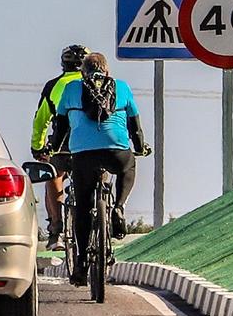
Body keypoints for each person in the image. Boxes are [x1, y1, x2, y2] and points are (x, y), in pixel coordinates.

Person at [50, 51, 150, 284]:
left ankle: (82, 263)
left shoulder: (72, 89)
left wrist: (54, 148)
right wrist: (140, 146)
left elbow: (60, 126)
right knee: (128, 166)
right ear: (107, 71)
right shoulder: (122, 87)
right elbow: (135, 125)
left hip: (83, 154)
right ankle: (118, 206)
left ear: (82, 71)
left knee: (83, 206)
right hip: (116, 150)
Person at [31, 44, 88, 246]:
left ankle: (56, 229)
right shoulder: (97, 83)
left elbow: (41, 120)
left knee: (53, 175)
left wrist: (37, 148)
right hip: (93, 144)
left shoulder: (54, 86)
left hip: (62, 142)